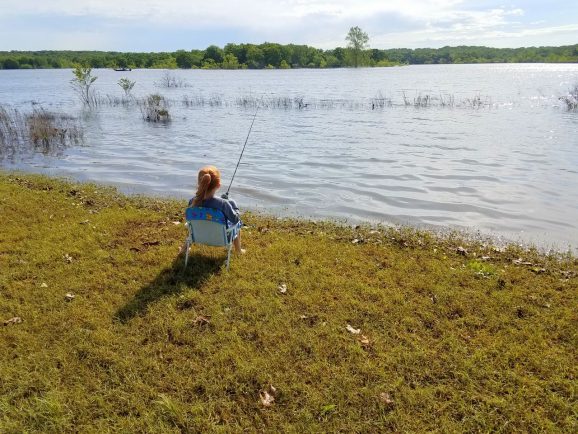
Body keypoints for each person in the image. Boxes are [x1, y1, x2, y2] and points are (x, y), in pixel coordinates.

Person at [186, 165, 245, 254]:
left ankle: (184, 249)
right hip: (222, 238)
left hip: (197, 235)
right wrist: (233, 205)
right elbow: (235, 219)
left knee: (193, 225)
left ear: (200, 183)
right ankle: (238, 250)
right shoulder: (223, 204)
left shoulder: (192, 202)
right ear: (218, 185)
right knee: (237, 224)